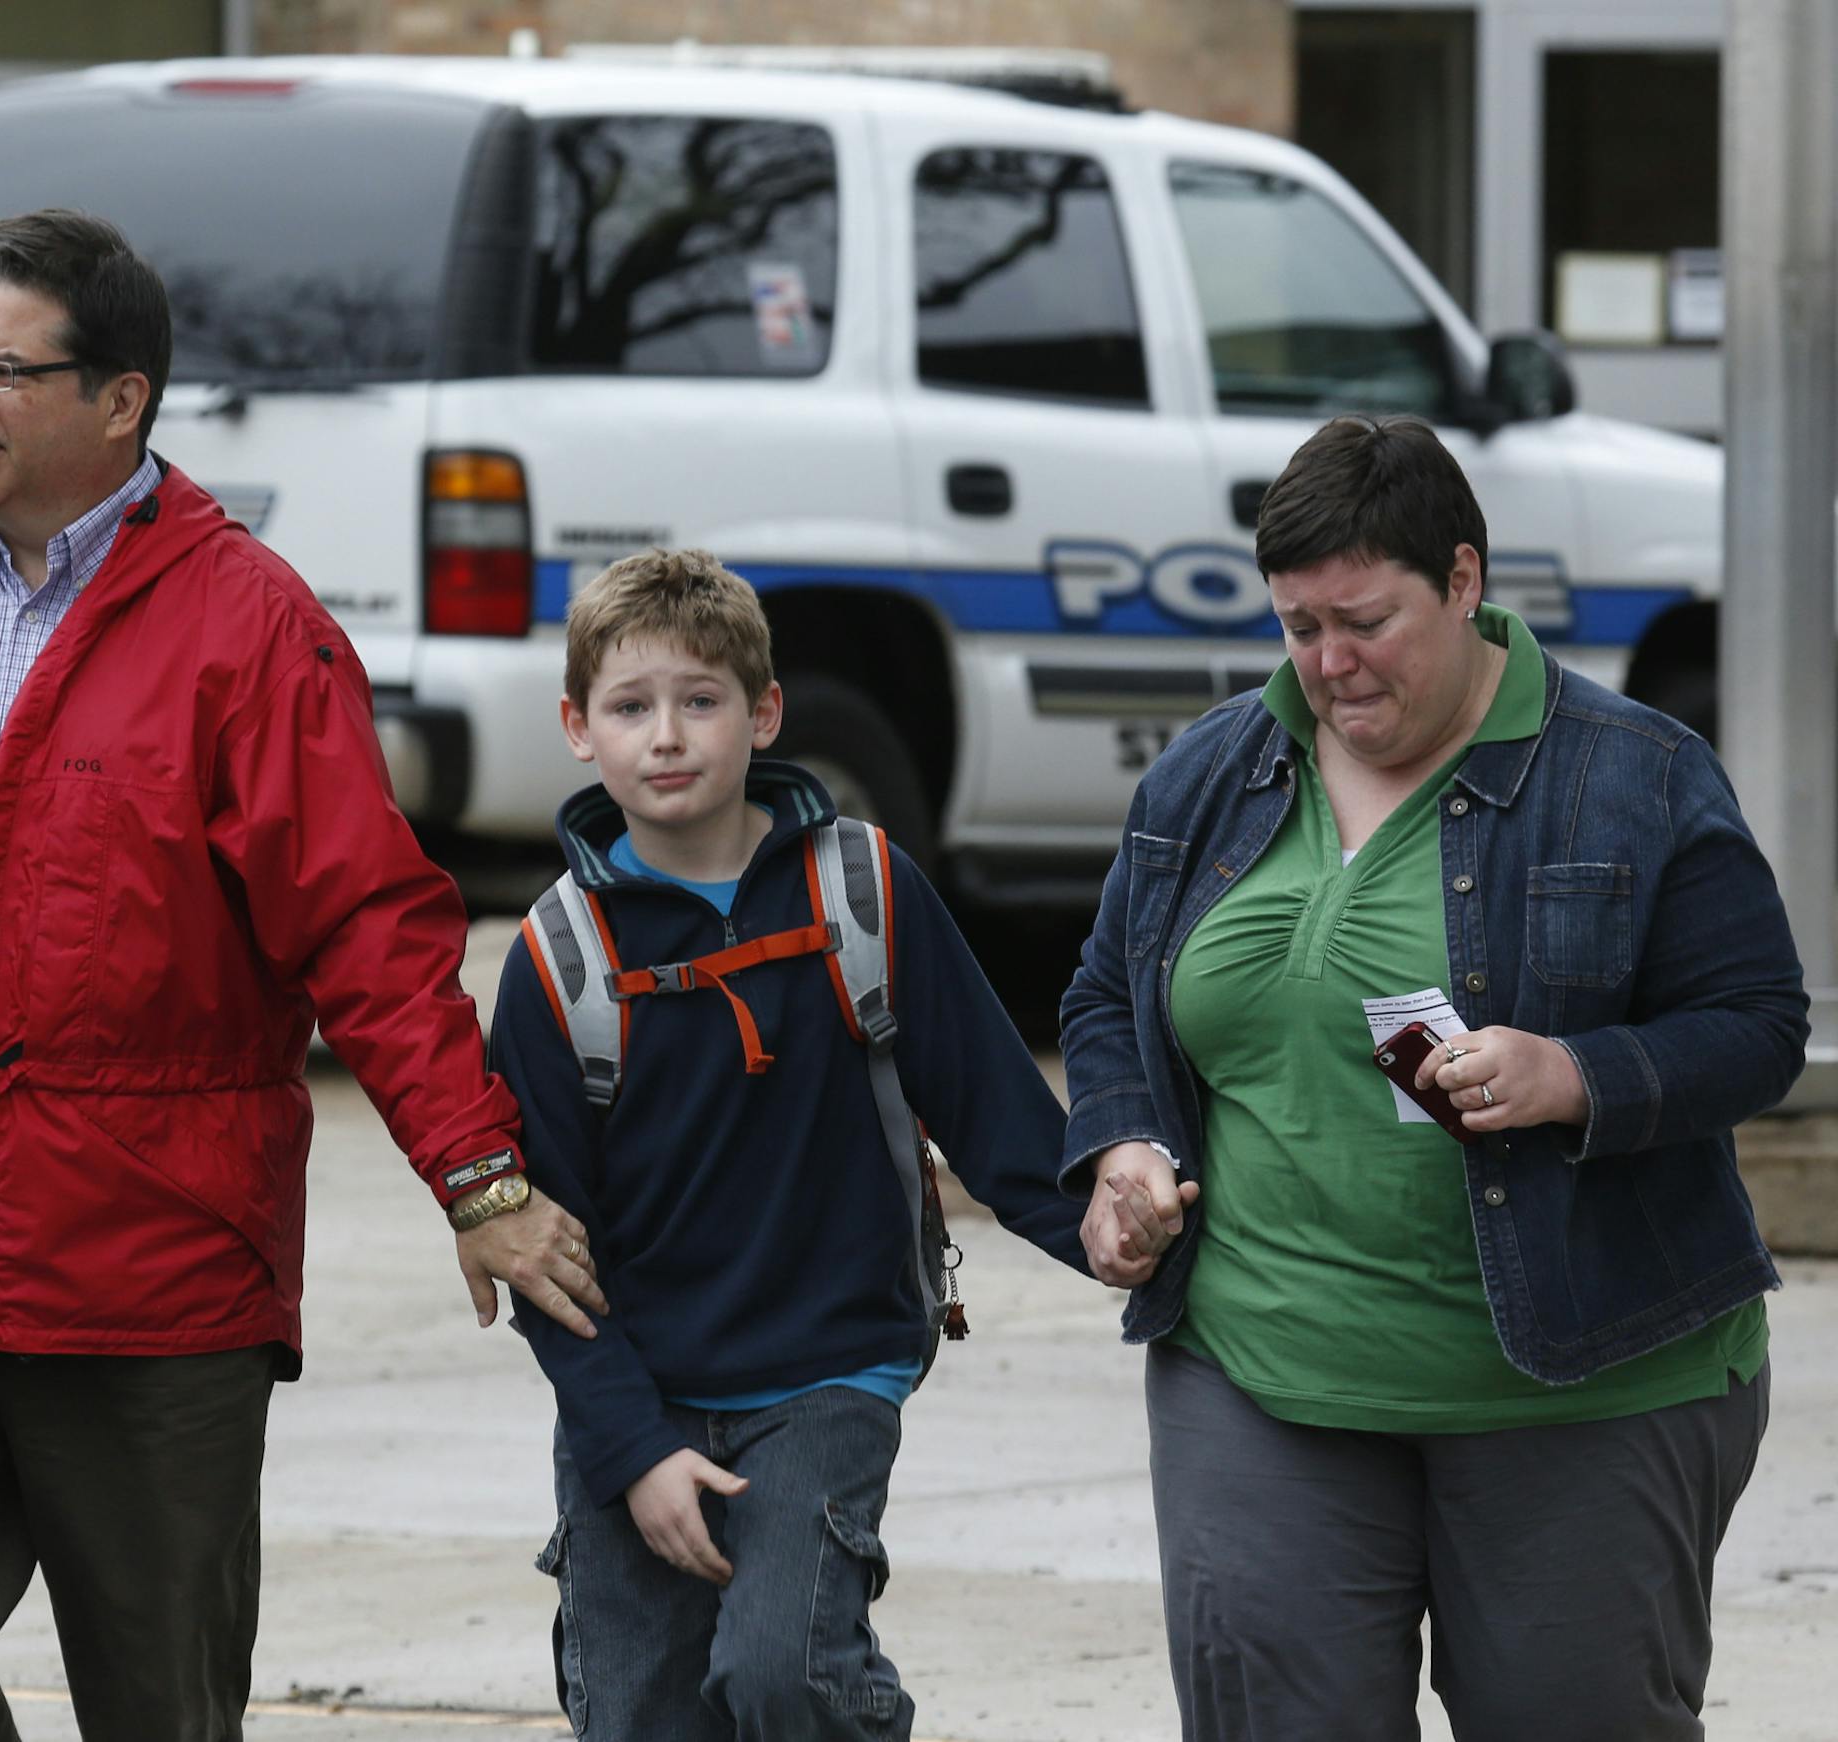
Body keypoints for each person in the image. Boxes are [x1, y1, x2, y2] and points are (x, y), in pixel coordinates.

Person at [0, 208, 606, 1742]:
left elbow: (369, 927)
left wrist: (480, 1176)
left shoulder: (247, 627)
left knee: (158, 1697)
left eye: (3, 369)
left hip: (152, 1258)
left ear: (122, 397)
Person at [1060, 414, 1808, 1741]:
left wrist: (1574, 1073)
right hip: (1262, 1363)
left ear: (1464, 578)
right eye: (1298, 627)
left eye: (1364, 620)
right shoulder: (1213, 772)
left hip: (1584, 1376)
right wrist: (1120, 1147)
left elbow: (1756, 1023)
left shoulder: (1631, 774)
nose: (1329, 666)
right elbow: (1110, 995)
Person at [489, 548, 1094, 1741]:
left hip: (830, 1371)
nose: (668, 735)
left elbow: (997, 1116)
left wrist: (1128, 1240)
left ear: (763, 713)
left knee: (785, 1672)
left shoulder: (864, 888)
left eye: (701, 700)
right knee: (636, 1716)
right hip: (641, 1392)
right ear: (578, 726)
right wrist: (631, 1449)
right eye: (630, 706)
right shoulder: (556, 960)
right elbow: (546, 1258)